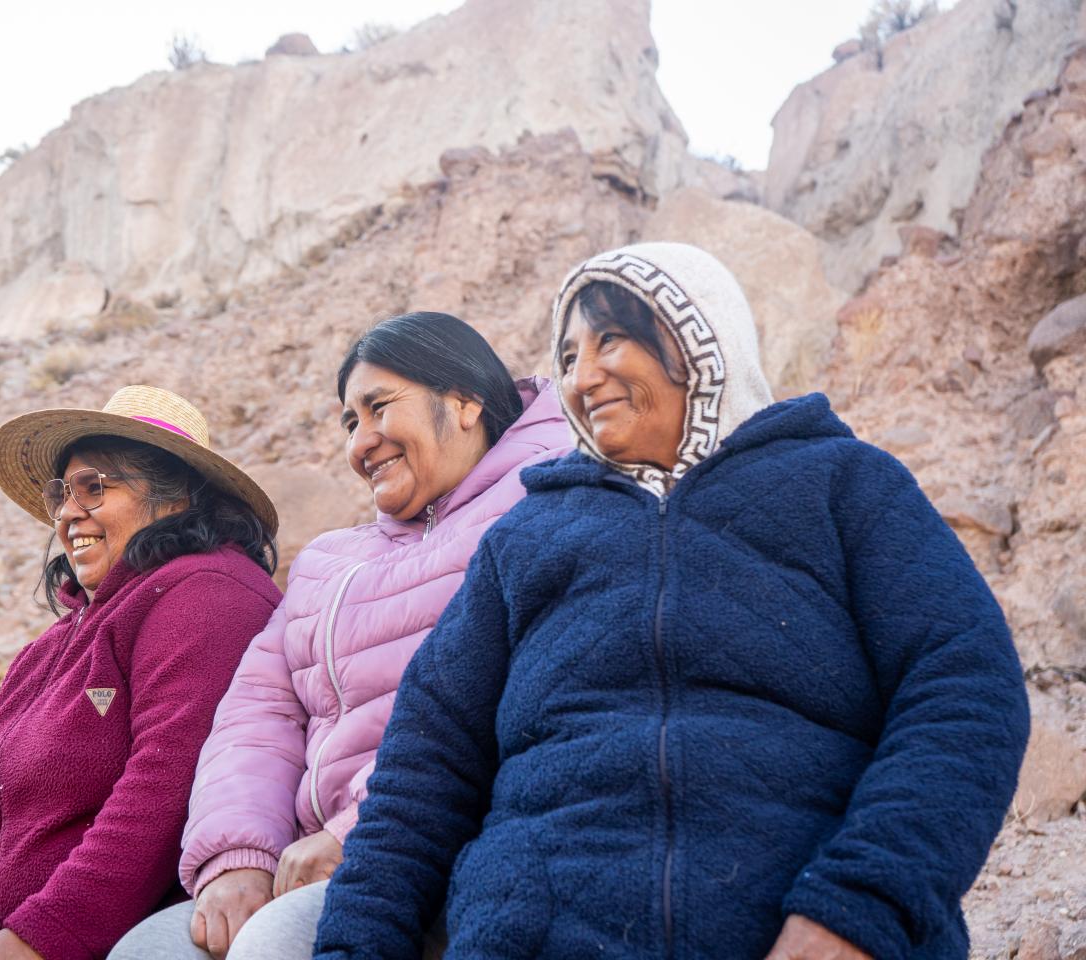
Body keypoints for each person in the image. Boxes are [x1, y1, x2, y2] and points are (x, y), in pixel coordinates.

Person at [313, 244, 1031, 960]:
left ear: (699, 336)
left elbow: (964, 690)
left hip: (794, 926)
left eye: (611, 340)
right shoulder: (526, 536)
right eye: (567, 357)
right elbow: (424, 769)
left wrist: (859, 910)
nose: (583, 376)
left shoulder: (845, 486)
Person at [109, 313, 570, 960]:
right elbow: (260, 711)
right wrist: (240, 855)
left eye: (379, 407)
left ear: (464, 400)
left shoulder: (543, 504)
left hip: (440, 849)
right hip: (303, 859)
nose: (361, 441)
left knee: (274, 945)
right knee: (150, 950)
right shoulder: (331, 560)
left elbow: (512, 707)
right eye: (350, 422)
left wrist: (358, 835)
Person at [0, 385, 282, 960]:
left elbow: (164, 789)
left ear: (176, 497)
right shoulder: (50, 647)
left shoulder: (210, 595)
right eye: (62, 493)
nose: (67, 512)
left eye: (95, 486)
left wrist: (32, 944)